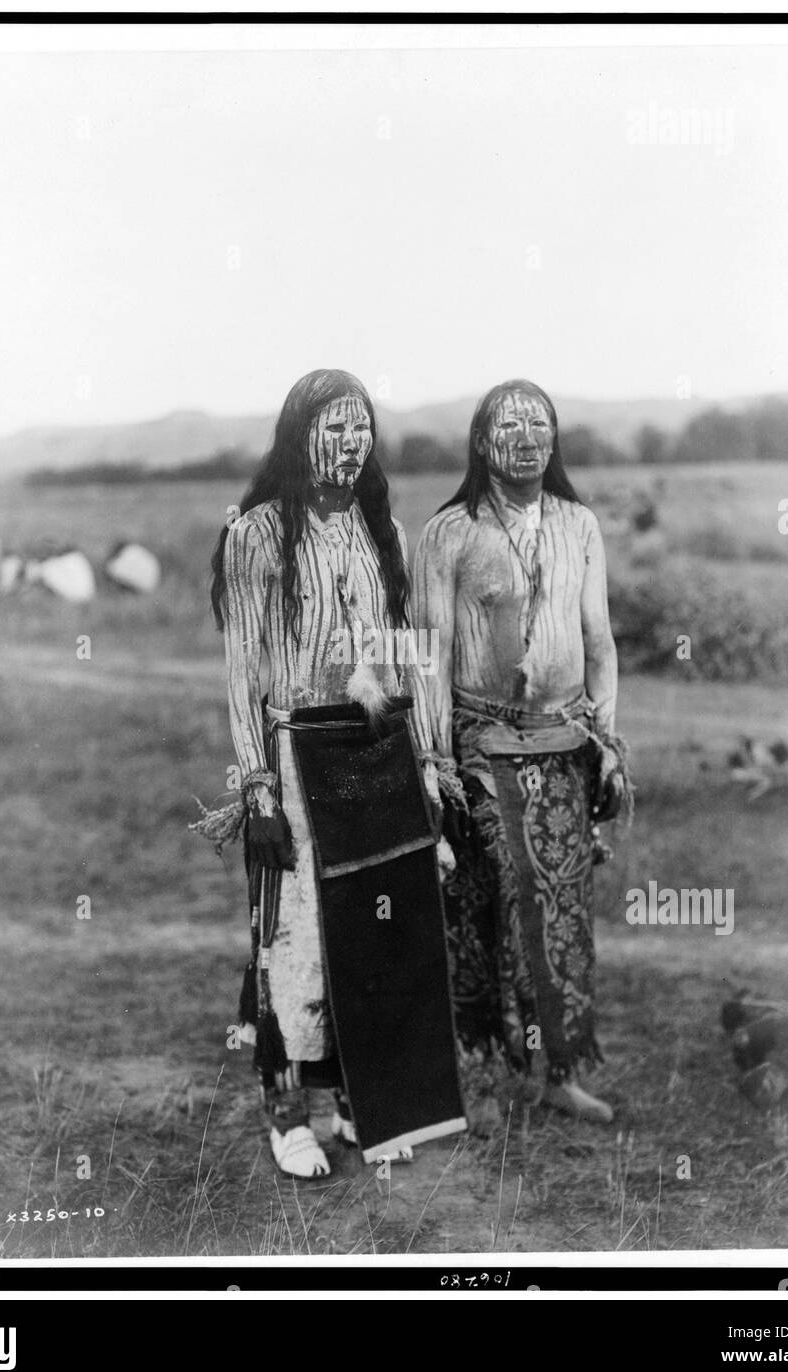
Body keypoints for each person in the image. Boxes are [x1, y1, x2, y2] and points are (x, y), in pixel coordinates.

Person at [207, 368, 466, 1178]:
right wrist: (256, 789)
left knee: (366, 929)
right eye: (333, 428)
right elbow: (242, 670)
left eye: (362, 429)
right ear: (298, 435)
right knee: (292, 938)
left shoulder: (371, 523)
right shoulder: (255, 533)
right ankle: (287, 1111)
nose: (350, 444)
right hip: (294, 753)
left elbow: (400, 652)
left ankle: (351, 1097)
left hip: (372, 748)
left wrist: (425, 759)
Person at [412, 379, 631, 1129]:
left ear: (553, 438)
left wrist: (607, 744)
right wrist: (434, 766)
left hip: (566, 745)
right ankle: (478, 1076)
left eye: (539, 422)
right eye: (508, 424)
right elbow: (428, 660)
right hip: (480, 749)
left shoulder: (578, 525)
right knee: (483, 909)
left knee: (560, 915)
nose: (526, 434)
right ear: (481, 442)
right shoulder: (448, 533)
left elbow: (599, 645)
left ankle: (553, 1072)